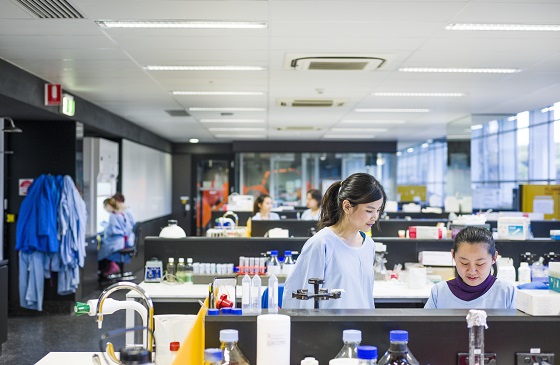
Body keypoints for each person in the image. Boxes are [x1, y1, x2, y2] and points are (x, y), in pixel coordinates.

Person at [282, 173, 386, 309]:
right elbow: (298, 298)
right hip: (329, 327)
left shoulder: (369, 244)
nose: (375, 217)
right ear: (347, 206)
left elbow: (364, 294)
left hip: (362, 326)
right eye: (369, 210)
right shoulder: (321, 243)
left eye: (378, 210)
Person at [424, 226, 516, 309]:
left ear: (494, 257)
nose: (472, 271)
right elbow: (425, 327)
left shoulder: (507, 293)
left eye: (480, 264)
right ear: (453, 255)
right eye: (464, 263)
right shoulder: (439, 293)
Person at [98, 197, 131, 278]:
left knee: (100, 250)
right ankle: (110, 267)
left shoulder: (113, 216)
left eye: (104, 206)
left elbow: (111, 231)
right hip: (121, 241)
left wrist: (105, 226)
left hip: (115, 242)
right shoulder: (122, 213)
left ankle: (110, 268)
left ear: (108, 205)